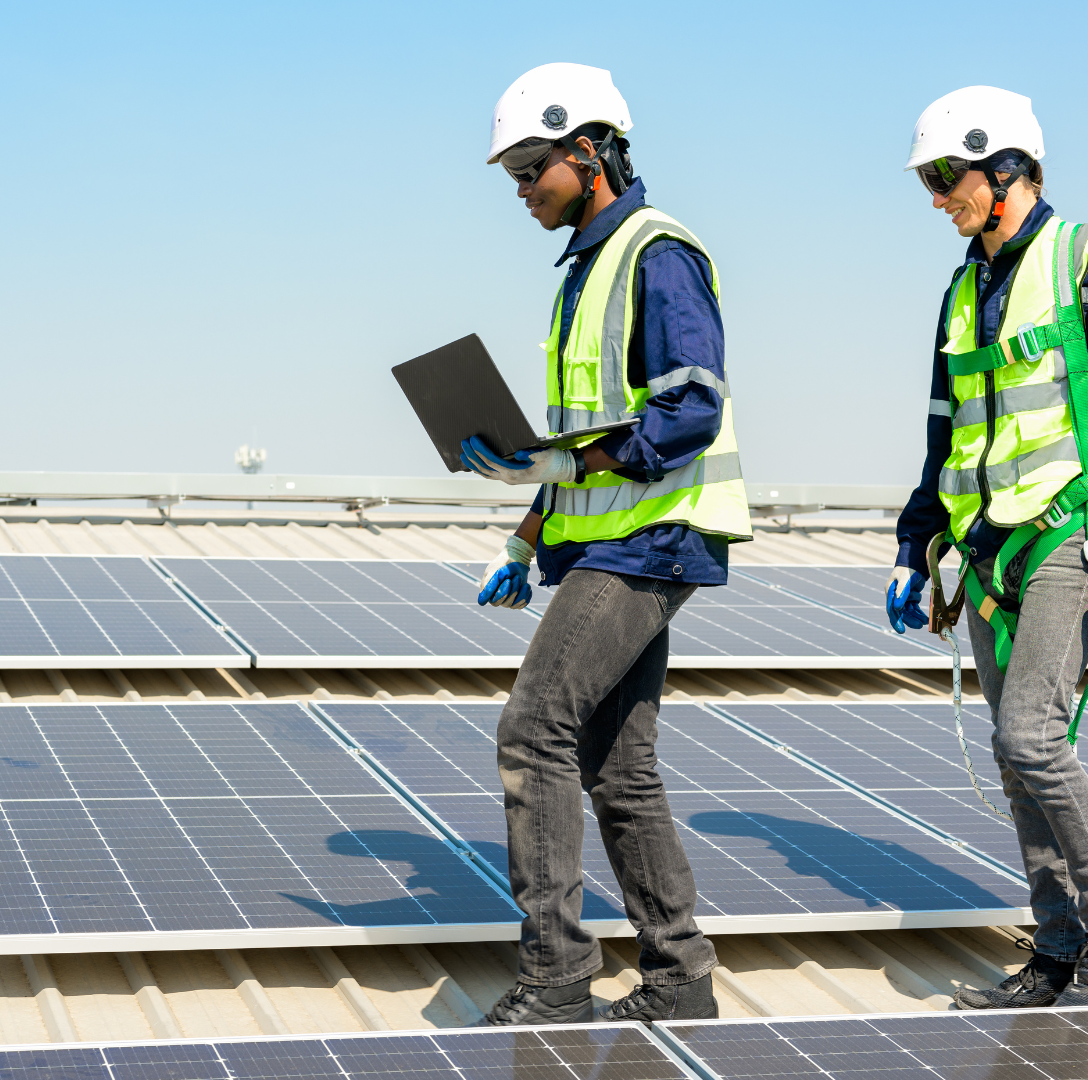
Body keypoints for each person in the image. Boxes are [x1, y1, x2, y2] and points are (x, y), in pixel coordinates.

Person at [458, 62, 751, 1025]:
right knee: (616, 766)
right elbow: (584, 436)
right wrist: (524, 511)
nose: (522, 188)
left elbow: (689, 412)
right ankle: (680, 975)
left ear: (589, 153)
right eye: (512, 174)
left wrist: (560, 465)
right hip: (605, 543)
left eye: (531, 167)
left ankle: (556, 975)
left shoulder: (656, 253)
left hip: (652, 540)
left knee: (530, 731)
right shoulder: (587, 267)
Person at [887, 86, 1088, 1008]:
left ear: (1005, 165)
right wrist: (915, 542)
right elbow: (948, 430)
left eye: (947, 177)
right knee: (1012, 758)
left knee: (1030, 734)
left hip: (1073, 534)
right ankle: (1056, 953)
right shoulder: (963, 287)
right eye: (930, 181)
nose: (937, 197)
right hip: (986, 550)